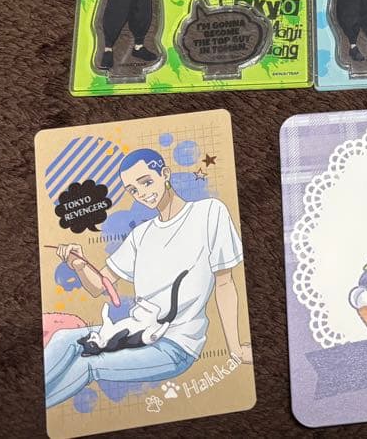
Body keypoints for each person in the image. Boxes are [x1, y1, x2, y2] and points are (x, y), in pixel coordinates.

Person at [44, 149, 250, 408]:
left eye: (146, 182)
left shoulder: (209, 213)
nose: (141, 193)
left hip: (175, 346)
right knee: (63, 338)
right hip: (134, 332)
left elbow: (225, 283)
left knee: (89, 364)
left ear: (165, 174)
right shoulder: (141, 235)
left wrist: (235, 349)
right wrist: (79, 265)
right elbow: (99, 286)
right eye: (132, 190)